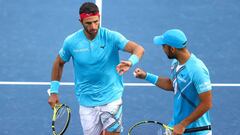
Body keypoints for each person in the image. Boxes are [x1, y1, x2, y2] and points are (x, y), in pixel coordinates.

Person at [48, 2, 144, 135]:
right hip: (86, 101)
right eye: (88, 23)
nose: (93, 26)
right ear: (80, 21)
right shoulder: (71, 41)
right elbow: (59, 62)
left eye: (96, 22)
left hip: (111, 97)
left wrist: (130, 61)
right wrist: (54, 91)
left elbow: (138, 49)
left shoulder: (111, 37)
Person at [134, 29, 212, 135]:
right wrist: (146, 76)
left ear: (172, 49)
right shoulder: (176, 63)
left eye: (163, 46)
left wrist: (183, 124)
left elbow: (206, 103)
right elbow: (173, 84)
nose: (162, 49)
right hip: (176, 126)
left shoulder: (197, 70)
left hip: (196, 130)